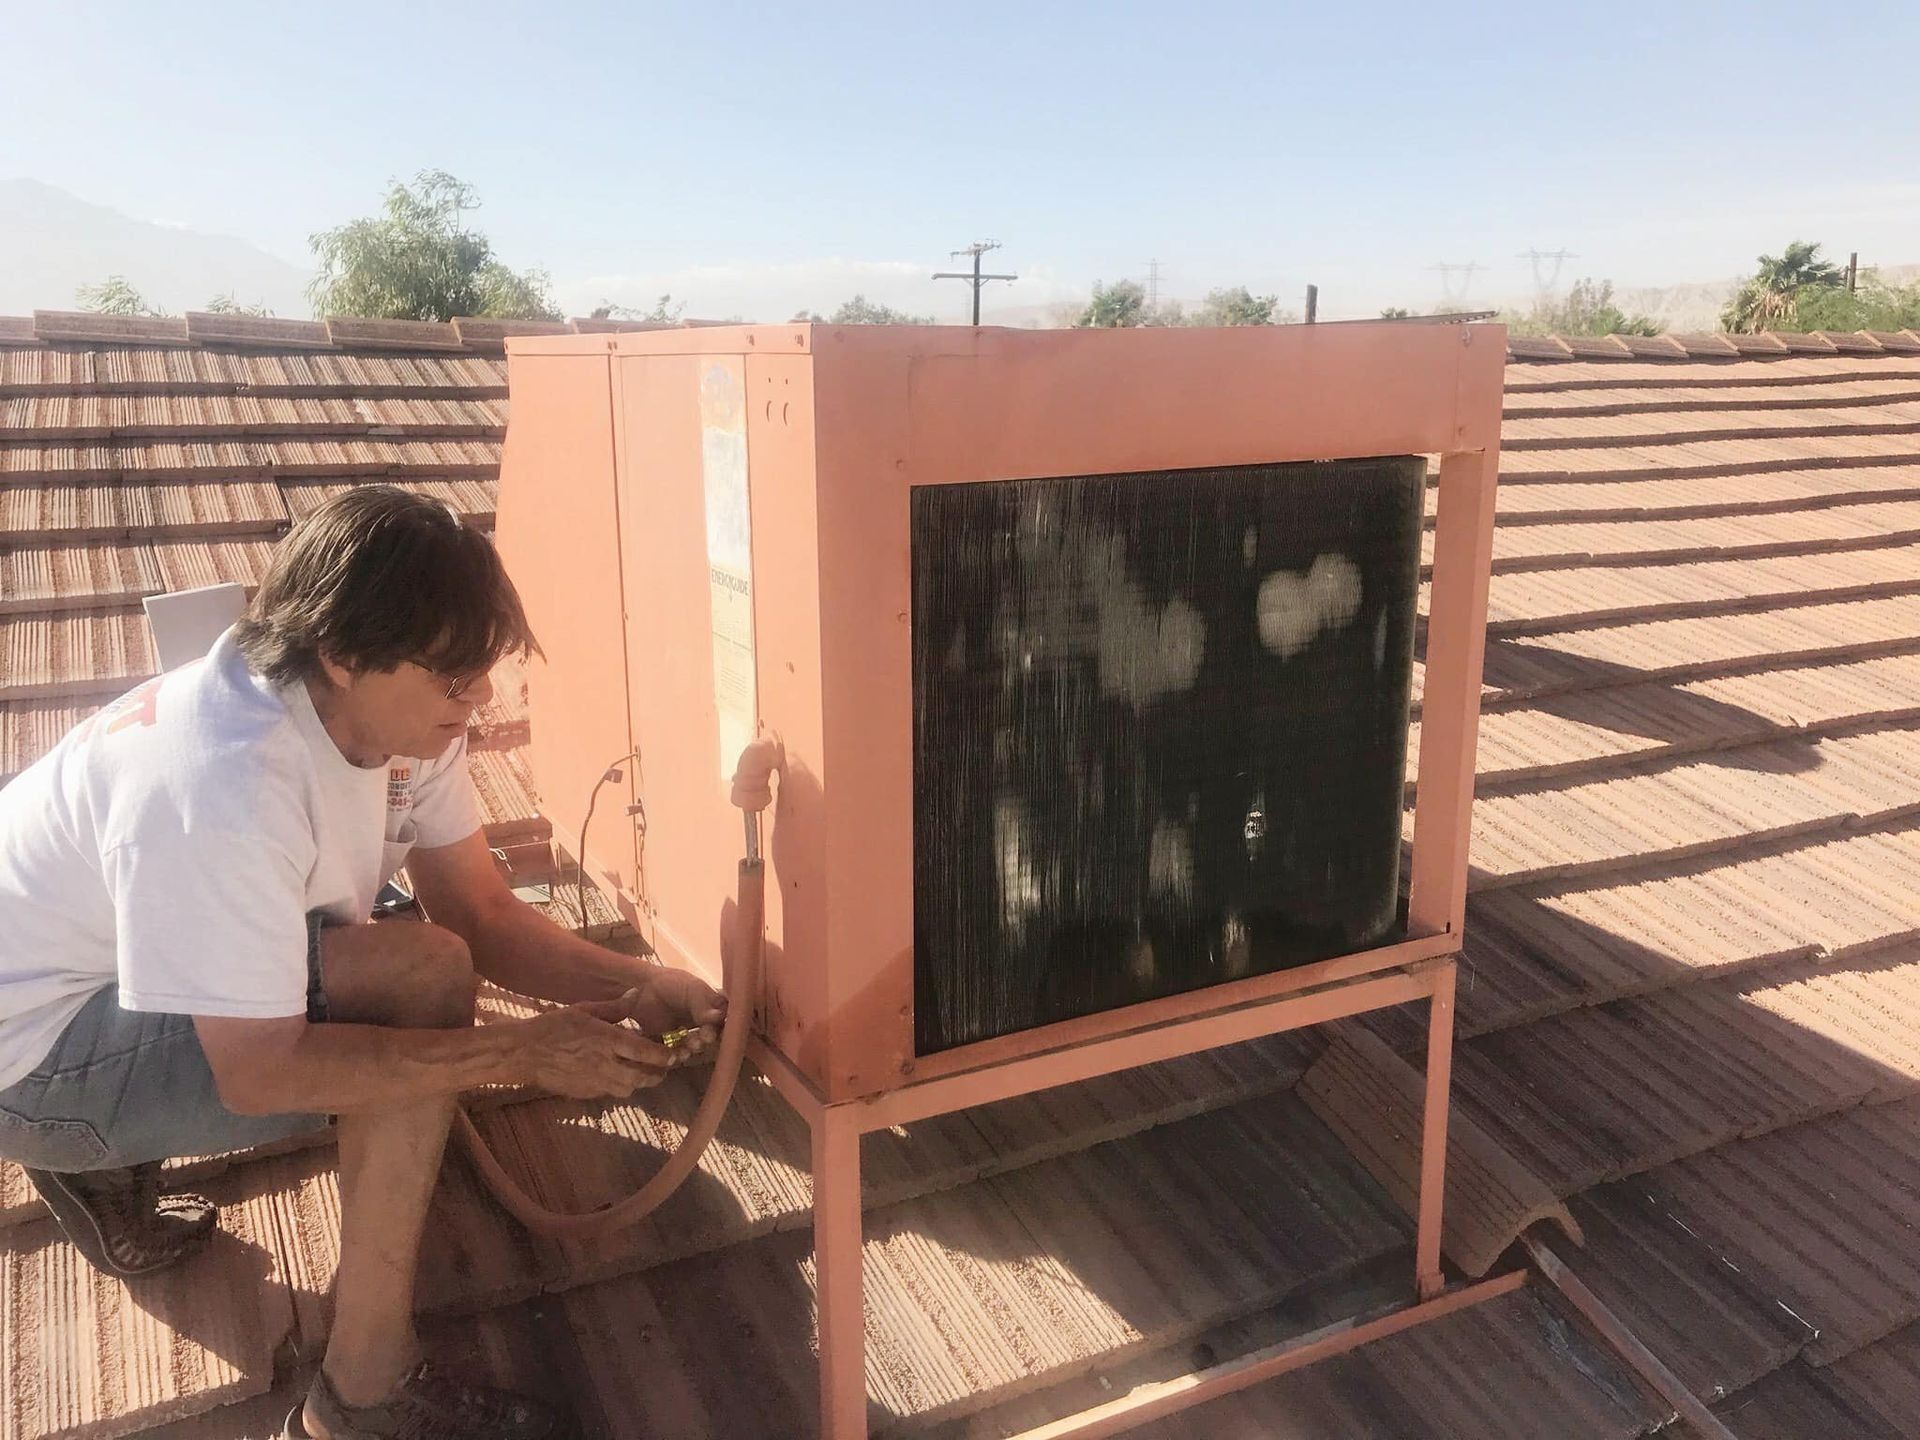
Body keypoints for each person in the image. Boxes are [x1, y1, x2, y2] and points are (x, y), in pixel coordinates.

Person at [0, 486, 726, 1440]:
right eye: (455, 683)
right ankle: (361, 1394)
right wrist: (521, 1052)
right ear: (342, 654)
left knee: (404, 935)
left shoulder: (392, 718)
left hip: (74, 977)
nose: (477, 707)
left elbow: (477, 909)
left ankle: (110, 1165)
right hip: (36, 1066)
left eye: (482, 678)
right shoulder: (222, 779)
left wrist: (631, 985)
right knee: (419, 978)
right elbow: (261, 1072)